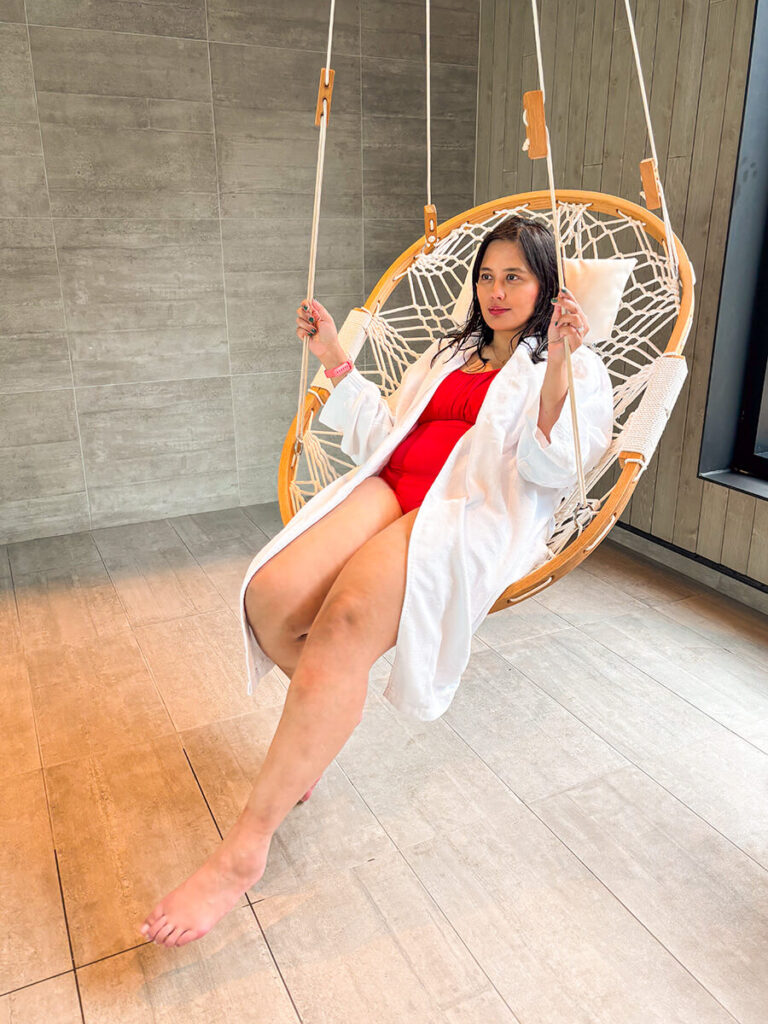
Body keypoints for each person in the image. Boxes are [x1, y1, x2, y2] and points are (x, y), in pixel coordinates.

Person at [139, 215, 613, 948]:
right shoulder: (451, 351)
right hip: (394, 483)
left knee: (346, 621)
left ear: (547, 283)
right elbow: (384, 434)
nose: (495, 290)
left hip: (462, 512)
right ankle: (327, 712)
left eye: (514, 276)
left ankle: (242, 852)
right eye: (486, 275)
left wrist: (557, 362)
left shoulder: (575, 365)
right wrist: (334, 356)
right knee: (268, 595)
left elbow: (552, 471)